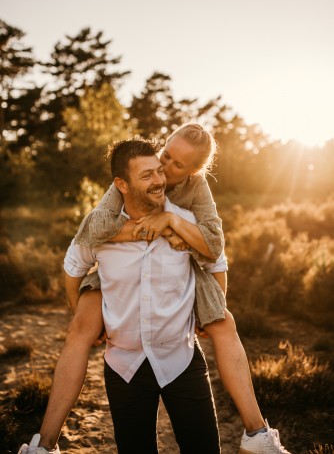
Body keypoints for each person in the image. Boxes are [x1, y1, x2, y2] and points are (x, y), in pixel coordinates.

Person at [19, 124, 291, 454]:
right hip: (125, 363)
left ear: (192, 172)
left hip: (180, 357)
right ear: (123, 184)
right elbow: (83, 249)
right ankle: (44, 445)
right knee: (81, 329)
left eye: (173, 167)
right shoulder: (109, 209)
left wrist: (209, 307)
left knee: (222, 326)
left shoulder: (191, 209)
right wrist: (130, 235)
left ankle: (257, 434)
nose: (163, 172)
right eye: (160, 162)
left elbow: (215, 255)